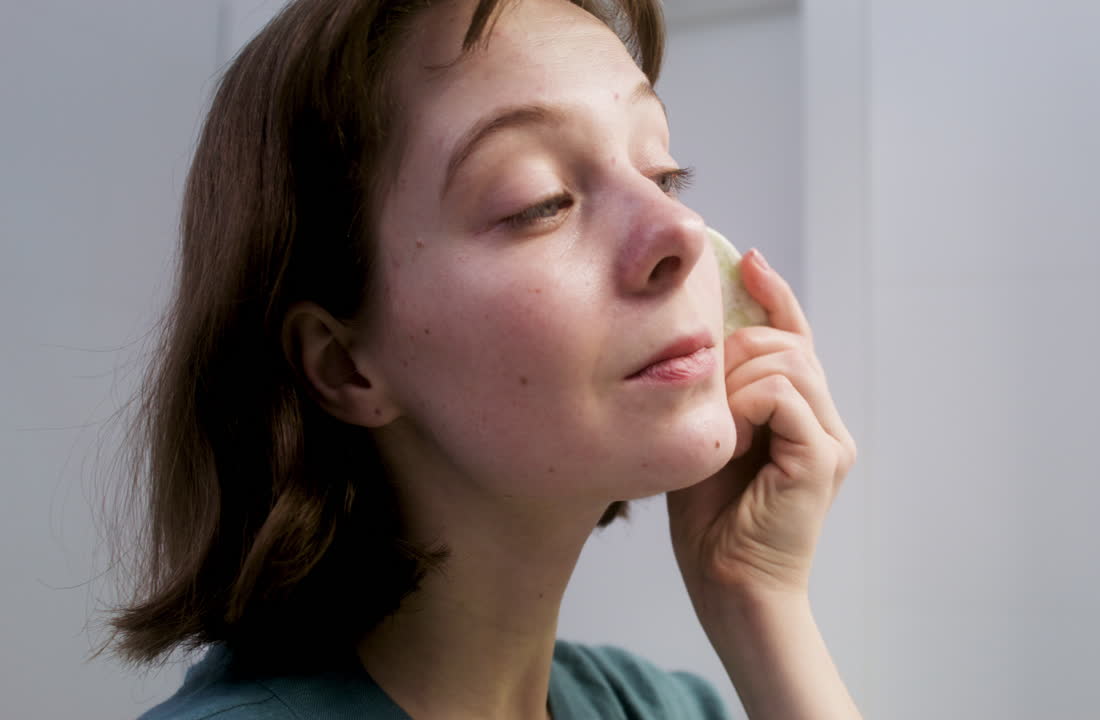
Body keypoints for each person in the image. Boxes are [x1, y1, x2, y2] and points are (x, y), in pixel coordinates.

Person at [107, 0, 860, 717]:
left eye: (663, 172)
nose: (683, 228)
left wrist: (761, 603)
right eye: (541, 201)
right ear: (344, 366)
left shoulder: (664, 709)